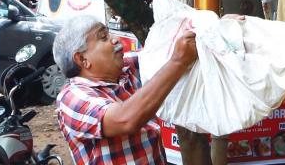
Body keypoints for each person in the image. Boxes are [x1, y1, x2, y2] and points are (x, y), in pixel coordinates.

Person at [53, 15, 197, 164]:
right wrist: (178, 61)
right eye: (103, 37)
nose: (115, 39)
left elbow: (163, 53)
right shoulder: (72, 97)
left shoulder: (126, 70)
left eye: (109, 33)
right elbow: (126, 120)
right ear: (82, 59)